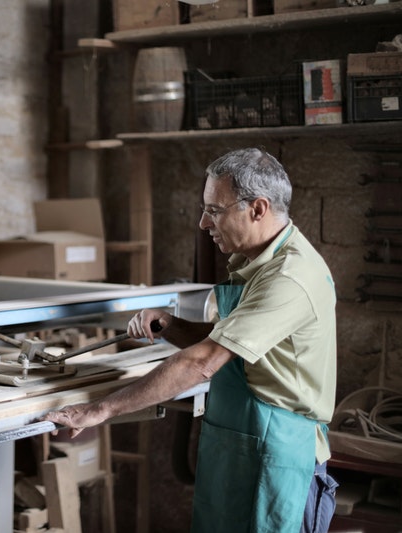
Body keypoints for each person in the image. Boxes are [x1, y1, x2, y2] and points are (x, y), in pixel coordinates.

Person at [41, 148, 338, 533]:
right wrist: (170, 326)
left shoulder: (289, 277)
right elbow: (233, 342)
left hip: (281, 456)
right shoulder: (256, 263)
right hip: (246, 443)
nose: (202, 222)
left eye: (215, 210)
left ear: (259, 209)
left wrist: (99, 411)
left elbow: (203, 362)